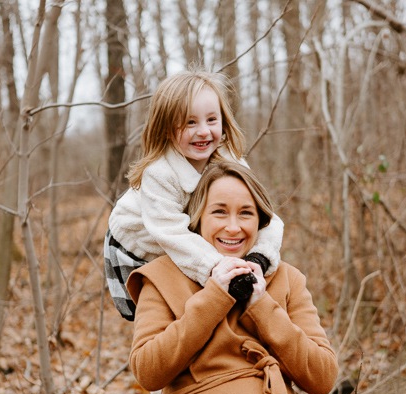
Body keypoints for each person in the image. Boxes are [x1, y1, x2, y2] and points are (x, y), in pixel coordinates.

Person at [127, 161, 338, 394]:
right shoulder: (162, 277)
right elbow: (148, 371)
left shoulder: (286, 278)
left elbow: (322, 378)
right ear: (197, 218)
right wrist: (215, 297)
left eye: (245, 213)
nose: (233, 227)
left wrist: (262, 307)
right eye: (219, 212)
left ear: (260, 220)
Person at [104, 68, 284, 322]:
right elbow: (172, 234)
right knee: (172, 312)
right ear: (166, 128)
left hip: (187, 237)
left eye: (211, 120)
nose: (203, 131)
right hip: (138, 247)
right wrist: (216, 267)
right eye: (190, 122)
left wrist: (260, 257)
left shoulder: (232, 163)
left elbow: (265, 217)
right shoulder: (160, 173)